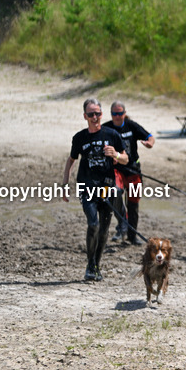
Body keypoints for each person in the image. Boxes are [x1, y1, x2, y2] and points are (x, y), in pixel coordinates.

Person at [62, 98, 128, 281]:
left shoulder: (112, 135)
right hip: (87, 187)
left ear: (101, 114)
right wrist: (65, 185)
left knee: (104, 230)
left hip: (106, 188)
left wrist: (115, 154)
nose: (95, 117)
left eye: (97, 113)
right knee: (93, 224)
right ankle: (90, 265)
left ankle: (95, 265)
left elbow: (125, 159)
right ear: (85, 116)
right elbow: (71, 160)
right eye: (90, 114)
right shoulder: (80, 138)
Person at [108, 101, 155, 245]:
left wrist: (150, 144)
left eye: (120, 113)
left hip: (133, 170)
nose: (117, 116)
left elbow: (149, 136)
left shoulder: (131, 126)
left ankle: (132, 236)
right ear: (111, 114)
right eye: (115, 114)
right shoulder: (106, 128)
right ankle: (122, 225)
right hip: (117, 170)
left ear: (124, 113)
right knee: (115, 193)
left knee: (133, 204)